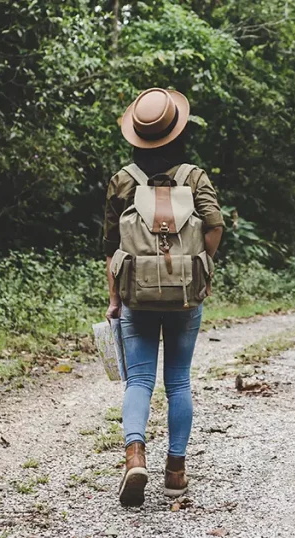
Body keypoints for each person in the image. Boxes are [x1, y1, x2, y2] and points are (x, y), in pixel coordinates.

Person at [103, 87, 224, 506]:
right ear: (178, 131)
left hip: (136, 292)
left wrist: (115, 297)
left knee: (138, 380)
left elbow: (111, 246)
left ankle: (135, 455)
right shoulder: (195, 177)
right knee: (178, 381)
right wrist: (200, 268)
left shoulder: (122, 180)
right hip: (186, 295)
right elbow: (214, 226)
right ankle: (175, 471)